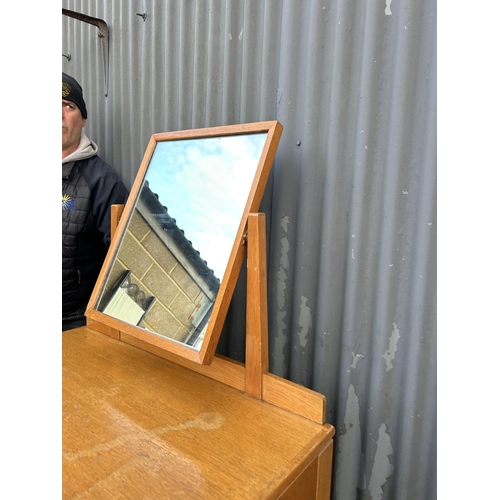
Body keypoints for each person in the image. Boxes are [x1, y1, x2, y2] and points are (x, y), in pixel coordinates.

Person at [62, 72, 128, 331]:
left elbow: (122, 259)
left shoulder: (102, 180)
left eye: (68, 106)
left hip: (75, 323)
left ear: (83, 119)